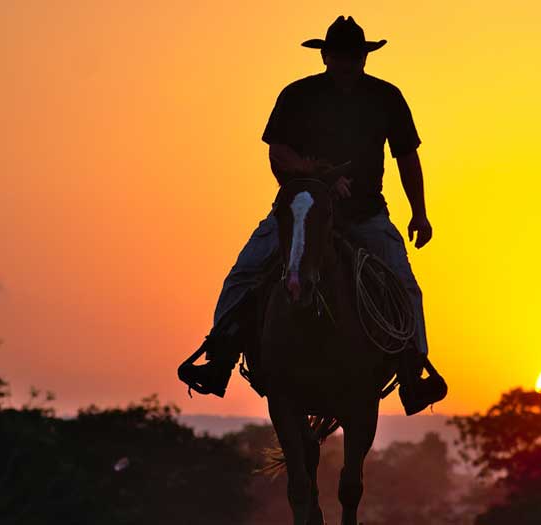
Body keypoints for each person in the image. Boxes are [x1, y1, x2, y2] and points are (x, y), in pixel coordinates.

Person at [177, 16, 446, 415]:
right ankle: (220, 358)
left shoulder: (387, 97)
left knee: (405, 284)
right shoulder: (297, 95)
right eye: (339, 56)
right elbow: (278, 153)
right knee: (245, 273)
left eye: (354, 57)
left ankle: (413, 374)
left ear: (365, 58)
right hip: (300, 210)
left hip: (365, 214)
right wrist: (320, 176)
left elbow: (407, 156)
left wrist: (419, 213)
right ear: (325, 55)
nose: (347, 63)